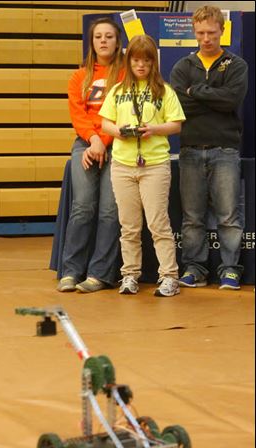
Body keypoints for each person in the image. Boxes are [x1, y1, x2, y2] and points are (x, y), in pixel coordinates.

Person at [99, 34, 186, 296]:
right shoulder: (117, 91)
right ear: (129, 61)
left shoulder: (164, 91)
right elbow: (104, 123)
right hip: (123, 165)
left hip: (155, 165)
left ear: (153, 63)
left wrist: (154, 129)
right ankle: (129, 275)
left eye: (146, 61)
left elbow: (176, 125)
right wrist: (119, 131)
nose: (140, 65)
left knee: (159, 224)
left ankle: (169, 276)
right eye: (136, 60)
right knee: (129, 226)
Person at [170, 5, 248, 290]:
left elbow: (230, 101)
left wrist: (196, 92)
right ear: (194, 32)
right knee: (192, 217)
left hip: (225, 150)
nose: (206, 38)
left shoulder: (236, 65)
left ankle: (230, 270)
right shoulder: (182, 67)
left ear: (222, 31)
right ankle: (195, 268)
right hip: (190, 149)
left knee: (228, 215)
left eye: (211, 33)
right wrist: (210, 98)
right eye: (201, 33)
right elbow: (180, 105)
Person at [55, 18, 124, 293]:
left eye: (109, 36)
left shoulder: (125, 76)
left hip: (117, 145)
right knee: (83, 207)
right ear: (92, 42)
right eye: (98, 37)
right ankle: (71, 271)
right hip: (86, 143)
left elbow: (123, 113)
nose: (104, 41)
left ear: (118, 41)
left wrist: (104, 141)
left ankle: (100, 273)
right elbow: (78, 114)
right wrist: (93, 141)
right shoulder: (78, 77)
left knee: (110, 211)